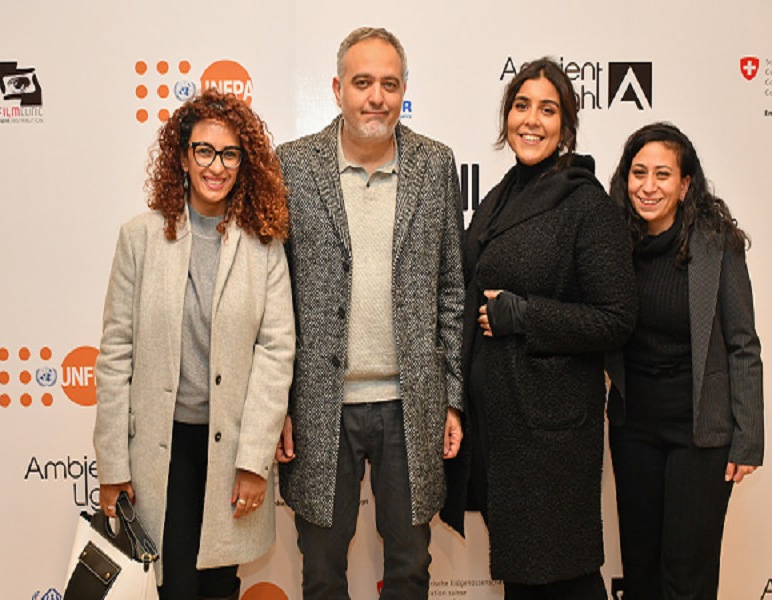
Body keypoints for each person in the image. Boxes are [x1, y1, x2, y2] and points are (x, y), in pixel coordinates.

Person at [275, 26, 465, 600]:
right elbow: (274, 298)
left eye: (389, 83)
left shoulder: (435, 164)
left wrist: (452, 397)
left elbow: (451, 290)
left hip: (412, 403)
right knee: (321, 569)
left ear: (404, 89)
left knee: (409, 566)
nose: (376, 97)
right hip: (319, 404)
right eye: (362, 83)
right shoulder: (293, 165)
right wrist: (279, 406)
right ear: (337, 89)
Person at [442, 57, 637, 599]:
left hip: (551, 435)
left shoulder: (586, 204)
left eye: (547, 110)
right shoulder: (502, 195)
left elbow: (616, 318)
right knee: (526, 581)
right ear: (507, 116)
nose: (531, 120)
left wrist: (526, 316)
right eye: (521, 106)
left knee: (564, 578)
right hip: (502, 427)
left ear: (566, 125)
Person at [93, 88, 295, 600]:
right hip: (161, 451)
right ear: (183, 157)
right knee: (173, 586)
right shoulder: (140, 238)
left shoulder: (264, 245)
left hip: (232, 450)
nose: (216, 166)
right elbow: (115, 356)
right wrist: (113, 466)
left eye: (230, 154)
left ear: (243, 164)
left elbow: (276, 354)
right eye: (204, 150)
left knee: (220, 586)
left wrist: (254, 461)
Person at [606, 122, 764, 599]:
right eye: (638, 173)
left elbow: (743, 342)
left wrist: (748, 438)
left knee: (686, 575)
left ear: (685, 184)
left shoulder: (716, 244)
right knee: (641, 568)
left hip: (701, 429)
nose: (648, 186)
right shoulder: (613, 245)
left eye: (663, 174)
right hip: (634, 426)